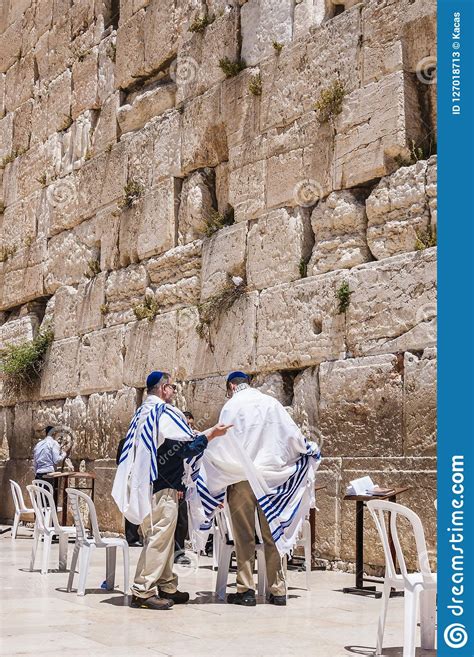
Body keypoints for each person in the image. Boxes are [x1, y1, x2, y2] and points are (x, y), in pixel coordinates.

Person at [185, 371, 321, 607]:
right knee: (272, 532)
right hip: (271, 479)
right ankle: (277, 590)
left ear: (231, 386)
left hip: (241, 478)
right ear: (248, 383)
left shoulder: (232, 406)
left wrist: (215, 471)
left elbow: (222, 444)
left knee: (244, 535)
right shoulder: (271, 403)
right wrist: (306, 449)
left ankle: (246, 590)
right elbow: (292, 436)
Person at [112, 371, 231, 611]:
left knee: (164, 539)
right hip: (161, 488)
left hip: (147, 485)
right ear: (164, 388)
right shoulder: (163, 413)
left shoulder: (143, 413)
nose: (174, 391)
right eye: (173, 387)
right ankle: (142, 590)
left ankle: (167, 585)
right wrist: (212, 435)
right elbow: (184, 449)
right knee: (158, 539)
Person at [174, 411, 196, 565]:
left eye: (192, 425)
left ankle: (179, 551)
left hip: (188, 485)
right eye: (188, 424)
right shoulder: (176, 440)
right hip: (178, 484)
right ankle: (177, 552)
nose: (190, 427)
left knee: (183, 520)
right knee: (179, 521)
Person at [115, 438, 142, 547]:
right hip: (134, 478)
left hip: (130, 477)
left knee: (132, 507)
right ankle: (132, 537)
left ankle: (133, 536)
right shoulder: (141, 441)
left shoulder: (124, 441)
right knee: (133, 506)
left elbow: (118, 461)